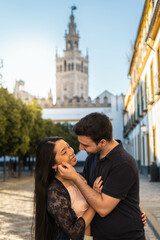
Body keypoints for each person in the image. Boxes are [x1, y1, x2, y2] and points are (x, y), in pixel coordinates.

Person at [58, 112, 146, 240]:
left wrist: (76, 178)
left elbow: (103, 209)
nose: (80, 148)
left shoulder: (123, 163)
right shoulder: (92, 158)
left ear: (102, 142)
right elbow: (85, 194)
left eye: (85, 145)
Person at [34, 136, 101, 240]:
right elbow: (74, 232)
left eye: (68, 146)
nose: (71, 152)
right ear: (53, 164)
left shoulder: (80, 177)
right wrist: (95, 202)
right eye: (64, 152)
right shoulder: (54, 193)